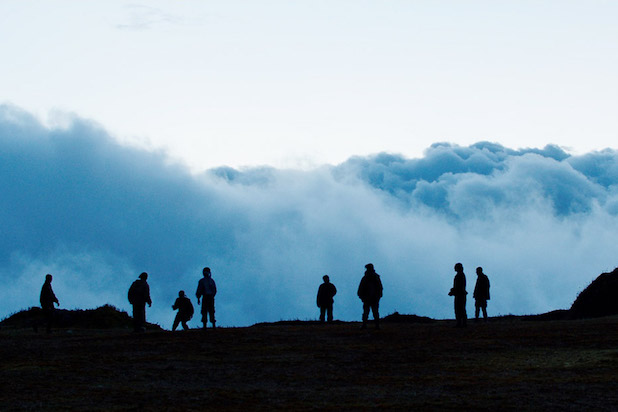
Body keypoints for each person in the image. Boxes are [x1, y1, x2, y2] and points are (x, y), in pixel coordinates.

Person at [357, 263, 383, 329]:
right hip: (368, 298)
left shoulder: (371, 277)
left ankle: (374, 325)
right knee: (368, 312)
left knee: (372, 312)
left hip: (372, 298)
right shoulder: (367, 277)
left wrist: (378, 296)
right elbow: (361, 288)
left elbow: (380, 288)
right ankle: (367, 325)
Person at [448, 263, 467, 327]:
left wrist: (453, 291)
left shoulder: (460, 275)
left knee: (459, 309)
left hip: (460, 295)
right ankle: (461, 322)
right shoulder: (460, 275)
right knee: (460, 309)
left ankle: (461, 323)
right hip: (460, 294)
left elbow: (459, 287)